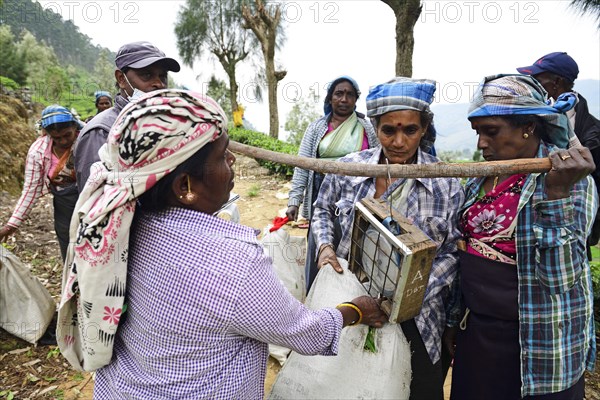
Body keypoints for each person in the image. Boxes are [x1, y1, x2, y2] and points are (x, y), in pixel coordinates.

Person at [56, 89, 388, 397]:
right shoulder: (235, 262)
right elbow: (304, 332)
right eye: (221, 155)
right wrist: (355, 310)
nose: (232, 160)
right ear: (185, 185)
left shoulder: (123, 221)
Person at [311, 77, 464, 400]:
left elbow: (452, 253)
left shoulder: (446, 182)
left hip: (419, 318)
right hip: (353, 302)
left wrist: (406, 296)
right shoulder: (348, 170)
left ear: (423, 130)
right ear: (375, 128)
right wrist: (325, 247)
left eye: (410, 130)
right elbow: (322, 209)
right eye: (388, 130)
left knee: (418, 389)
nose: (398, 141)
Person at [449, 74, 597, 400]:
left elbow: (561, 279)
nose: (481, 144)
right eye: (478, 133)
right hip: (480, 339)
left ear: (527, 126)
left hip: (541, 345)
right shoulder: (482, 179)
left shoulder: (568, 179)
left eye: (491, 132)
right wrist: (453, 323)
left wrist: (557, 196)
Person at [285, 75, 378, 290]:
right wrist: (294, 201)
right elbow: (303, 165)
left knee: (355, 247)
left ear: (356, 99)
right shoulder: (316, 128)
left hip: (357, 195)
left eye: (350, 95)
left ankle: (351, 298)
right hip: (322, 194)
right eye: (339, 94)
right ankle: (318, 295)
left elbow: (378, 160)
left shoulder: (366, 127)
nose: (344, 99)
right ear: (330, 98)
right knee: (322, 241)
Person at [517, 52, 600, 256]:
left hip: (574, 221)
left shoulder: (593, 133)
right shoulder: (536, 120)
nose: (532, 85)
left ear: (556, 82)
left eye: (538, 80)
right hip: (533, 222)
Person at [73, 41, 180, 193]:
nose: (159, 84)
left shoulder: (168, 123)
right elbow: (95, 200)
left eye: (162, 76)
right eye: (147, 75)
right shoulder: (102, 131)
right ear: (121, 79)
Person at [0, 105, 82, 261]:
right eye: (57, 138)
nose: (63, 141)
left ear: (74, 127)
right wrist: (11, 225)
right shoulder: (38, 152)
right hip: (64, 204)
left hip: (92, 200)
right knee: (68, 243)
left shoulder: (87, 140)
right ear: (48, 134)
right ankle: (73, 281)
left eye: (67, 135)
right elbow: (31, 190)